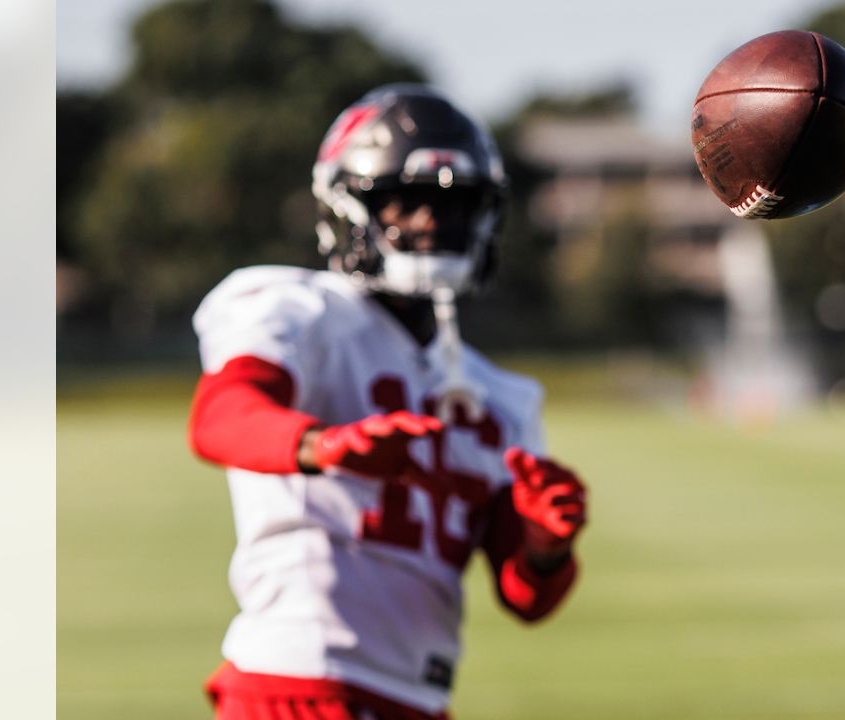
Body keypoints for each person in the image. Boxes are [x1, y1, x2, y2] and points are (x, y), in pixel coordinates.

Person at [187, 84, 588, 720]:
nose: (433, 223)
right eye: (410, 201)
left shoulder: (502, 395)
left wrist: (546, 547)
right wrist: (324, 446)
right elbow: (221, 417)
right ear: (348, 205)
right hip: (299, 683)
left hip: (418, 699)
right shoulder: (297, 308)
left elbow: (525, 598)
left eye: (455, 206)